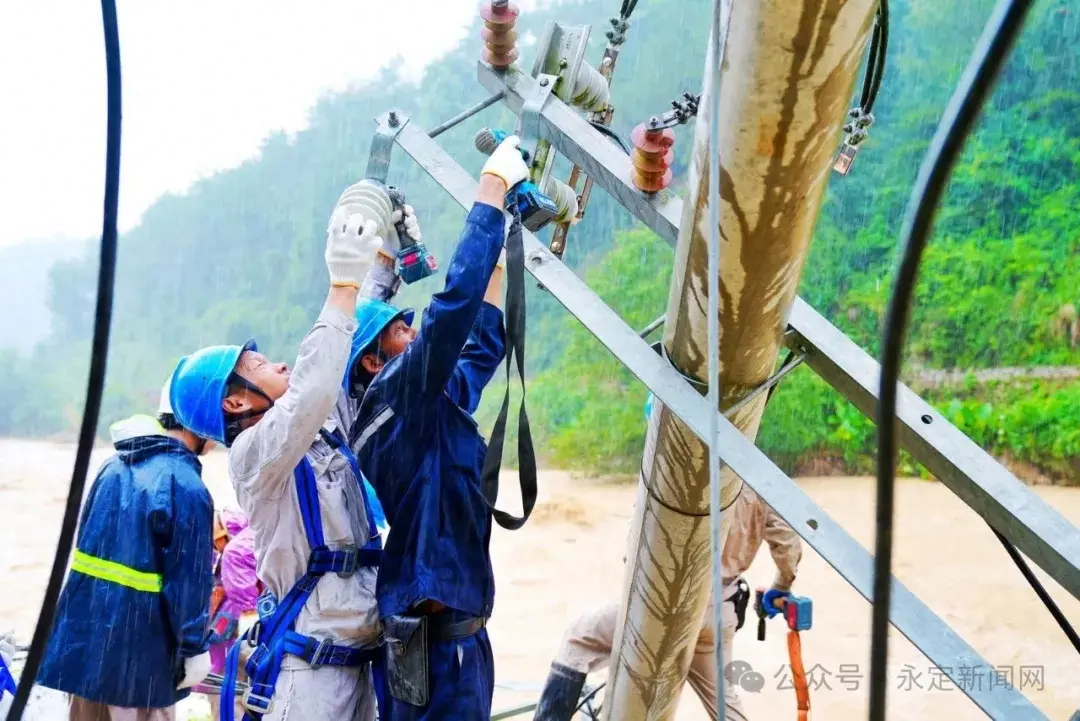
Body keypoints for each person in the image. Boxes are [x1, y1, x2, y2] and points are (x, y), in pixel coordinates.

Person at [168, 179, 405, 721]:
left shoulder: (315, 428)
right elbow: (315, 384)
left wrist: (380, 262)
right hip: (310, 679)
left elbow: (337, 362)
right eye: (257, 367)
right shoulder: (254, 455)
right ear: (233, 402)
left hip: (355, 665)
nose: (276, 364)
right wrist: (339, 281)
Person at [344, 135, 529, 719]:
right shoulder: (399, 393)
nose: (415, 333)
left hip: (445, 637)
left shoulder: (421, 407)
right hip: (440, 644)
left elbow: (479, 347)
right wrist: (490, 192)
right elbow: (452, 311)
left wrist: (499, 253)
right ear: (375, 361)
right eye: (402, 332)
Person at [532, 464, 803, 721]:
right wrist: (781, 587)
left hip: (663, 610)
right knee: (724, 703)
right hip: (719, 613)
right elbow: (788, 547)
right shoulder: (762, 478)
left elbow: (636, 550)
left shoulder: (679, 467)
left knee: (581, 637)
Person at [37, 378, 216, 721]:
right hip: (141, 668)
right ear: (201, 421)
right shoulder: (188, 487)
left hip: (88, 656)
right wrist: (194, 648)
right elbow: (187, 584)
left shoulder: (112, 466)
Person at [195, 507, 260, 721]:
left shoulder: (235, 554)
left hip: (233, 652)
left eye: (216, 541)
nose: (215, 547)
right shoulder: (253, 543)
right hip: (244, 649)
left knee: (228, 703)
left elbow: (242, 607)